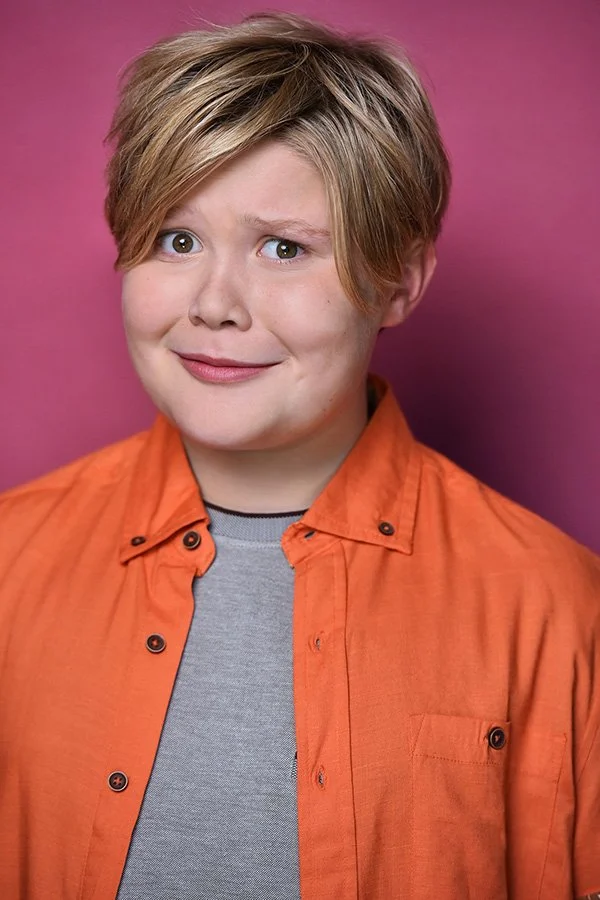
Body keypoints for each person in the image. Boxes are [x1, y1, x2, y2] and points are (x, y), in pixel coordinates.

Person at [0, 11, 598, 900]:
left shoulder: (553, 605)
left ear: (398, 281)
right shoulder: (10, 560)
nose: (215, 303)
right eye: (177, 238)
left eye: (284, 248)